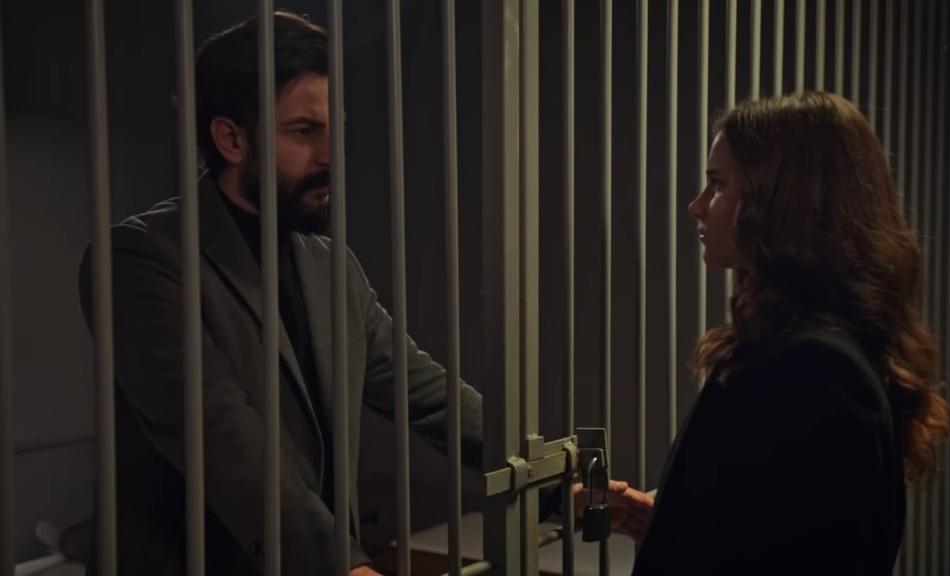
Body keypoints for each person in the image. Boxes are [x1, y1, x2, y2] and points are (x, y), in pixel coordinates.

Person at [78, 12, 648, 575]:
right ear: (231, 138)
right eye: (304, 132)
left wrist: (561, 485)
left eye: (336, 129)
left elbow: (430, 397)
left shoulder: (327, 265)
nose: (331, 155)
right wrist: (345, 568)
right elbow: (223, 440)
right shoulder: (141, 260)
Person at [632, 92, 950, 575]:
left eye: (717, 184)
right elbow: (776, 525)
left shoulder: (815, 368)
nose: (696, 206)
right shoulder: (804, 349)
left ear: (782, 202)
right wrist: (673, 520)